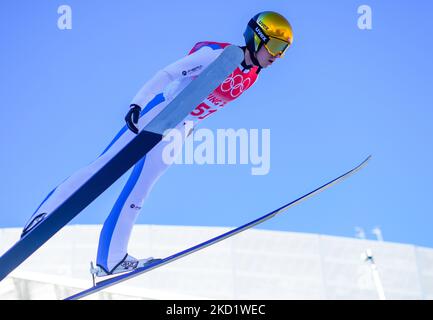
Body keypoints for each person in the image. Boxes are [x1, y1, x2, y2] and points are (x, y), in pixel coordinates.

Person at [21, 11, 294, 277]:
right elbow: (168, 73)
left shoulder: (252, 76)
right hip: (159, 112)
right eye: (276, 46)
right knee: (104, 165)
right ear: (257, 38)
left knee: (142, 188)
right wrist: (138, 102)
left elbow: (206, 107)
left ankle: (111, 259)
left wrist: (186, 131)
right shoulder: (216, 56)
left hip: (181, 128)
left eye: (284, 50)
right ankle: (42, 218)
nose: (277, 55)